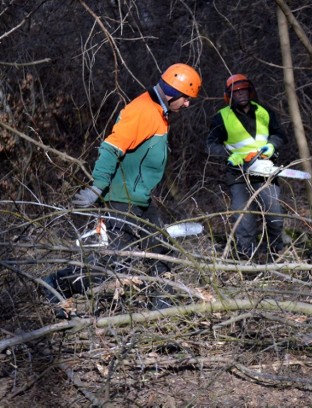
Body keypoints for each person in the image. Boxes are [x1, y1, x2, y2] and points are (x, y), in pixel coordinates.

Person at [43, 63, 202, 317]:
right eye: (186, 99)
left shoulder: (159, 112)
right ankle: (54, 286)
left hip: (139, 197)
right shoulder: (143, 111)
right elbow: (111, 147)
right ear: (172, 93)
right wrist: (98, 187)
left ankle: (161, 309)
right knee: (114, 260)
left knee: (160, 248)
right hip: (122, 198)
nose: (187, 105)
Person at [206, 73, 287, 259]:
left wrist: (272, 145)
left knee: (274, 214)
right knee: (243, 218)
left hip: (265, 169)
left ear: (250, 92)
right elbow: (210, 145)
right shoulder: (221, 118)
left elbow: (280, 135)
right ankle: (247, 257)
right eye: (236, 91)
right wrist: (230, 155)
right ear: (229, 95)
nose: (241, 94)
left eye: (244, 90)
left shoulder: (264, 112)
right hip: (238, 173)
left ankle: (274, 254)